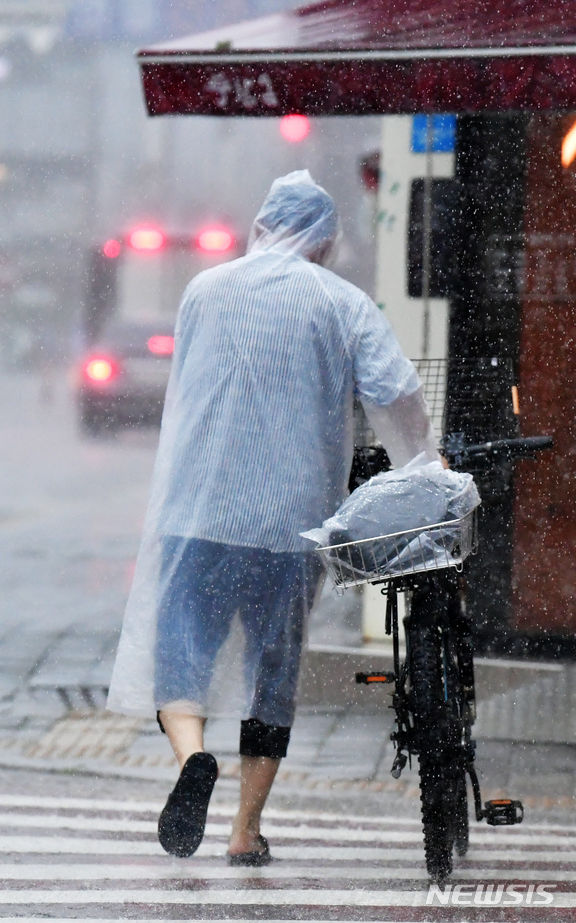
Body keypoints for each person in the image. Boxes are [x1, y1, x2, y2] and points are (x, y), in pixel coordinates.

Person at [107, 170, 439, 865]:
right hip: (291, 522)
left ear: (261, 227)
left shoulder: (204, 291)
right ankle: (243, 829)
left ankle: (193, 756)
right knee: (272, 671)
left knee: (183, 647)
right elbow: (396, 392)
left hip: (199, 507)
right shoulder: (341, 304)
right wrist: (422, 466)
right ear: (323, 244)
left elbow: (190, 393)